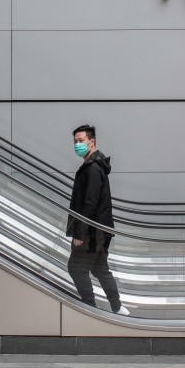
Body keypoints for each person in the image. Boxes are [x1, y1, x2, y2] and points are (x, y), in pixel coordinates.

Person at [66, 124, 128, 315]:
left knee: (76, 268)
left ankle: (90, 308)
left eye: (81, 140)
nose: (77, 144)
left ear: (91, 142)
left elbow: (90, 203)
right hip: (100, 230)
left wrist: (79, 232)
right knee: (100, 268)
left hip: (93, 231)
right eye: (75, 141)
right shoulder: (92, 166)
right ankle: (118, 308)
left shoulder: (93, 168)